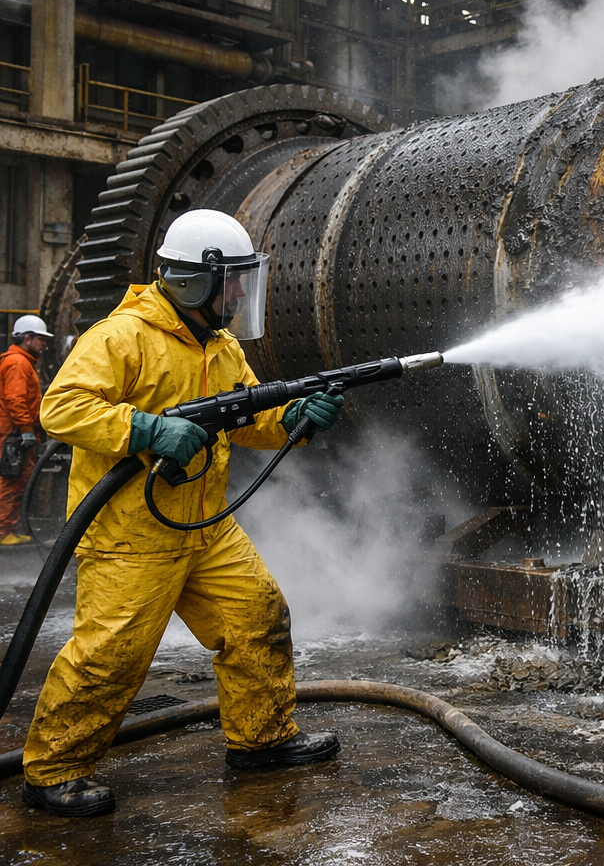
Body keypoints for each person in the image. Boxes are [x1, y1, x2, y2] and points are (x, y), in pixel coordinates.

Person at [21, 209, 346, 818]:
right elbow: (60, 409)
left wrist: (297, 419)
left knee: (258, 615)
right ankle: (54, 771)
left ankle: (262, 740)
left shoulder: (219, 348)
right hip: (129, 534)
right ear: (197, 281)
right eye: (234, 281)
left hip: (204, 525)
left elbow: (247, 419)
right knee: (109, 654)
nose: (243, 293)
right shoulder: (122, 337)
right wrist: (145, 428)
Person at [0, 315, 52, 546]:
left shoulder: (21, 361)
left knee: (16, 479)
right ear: (27, 338)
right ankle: (3, 532)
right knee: (11, 480)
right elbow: (15, 399)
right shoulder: (18, 363)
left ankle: (7, 528)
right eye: (41, 339)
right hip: (13, 433)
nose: (45, 344)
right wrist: (26, 429)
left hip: (15, 432)